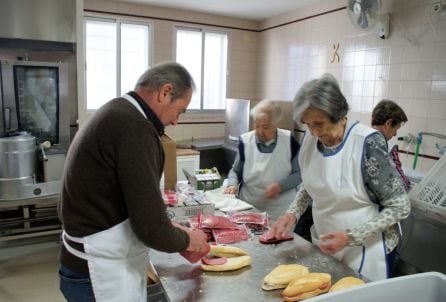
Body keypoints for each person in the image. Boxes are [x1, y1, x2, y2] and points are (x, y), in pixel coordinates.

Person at [58, 62, 208, 302]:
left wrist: (172, 231)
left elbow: (119, 200)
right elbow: (150, 229)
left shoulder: (116, 112)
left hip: (82, 262)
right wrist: (189, 239)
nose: (176, 121)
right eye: (180, 110)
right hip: (99, 273)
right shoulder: (135, 128)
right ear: (165, 92)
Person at [271, 74, 410, 281]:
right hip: (327, 242)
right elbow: (309, 186)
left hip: (368, 249)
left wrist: (351, 237)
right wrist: (292, 214)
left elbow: (400, 207)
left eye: (319, 123)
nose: (314, 131)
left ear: (339, 114)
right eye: (308, 124)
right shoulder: (311, 140)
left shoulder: (367, 143)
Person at [223, 99, 301, 220]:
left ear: (276, 124)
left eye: (265, 127)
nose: (259, 131)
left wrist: (281, 186)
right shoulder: (246, 142)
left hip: (280, 211)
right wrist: (232, 184)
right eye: (256, 125)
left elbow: (299, 174)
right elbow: (235, 171)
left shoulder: (289, 142)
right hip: (249, 207)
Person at [372, 99, 411, 190]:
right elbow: (402, 183)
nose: (395, 134)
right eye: (396, 129)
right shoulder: (389, 148)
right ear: (388, 123)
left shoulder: (358, 138)